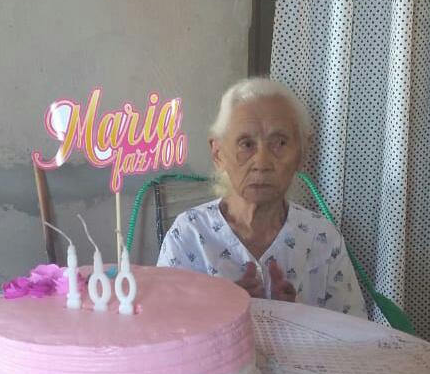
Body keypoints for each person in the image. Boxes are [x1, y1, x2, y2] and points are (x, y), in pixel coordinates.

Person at [157, 77, 367, 317]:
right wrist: (221, 312)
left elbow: (355, 332)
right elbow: (162, 329)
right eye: (246, 144)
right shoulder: (189, 235)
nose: (262, 162)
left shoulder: (322, 240)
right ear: (218, 154)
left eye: (280, 143)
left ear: (302, 153)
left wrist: (297, 317)